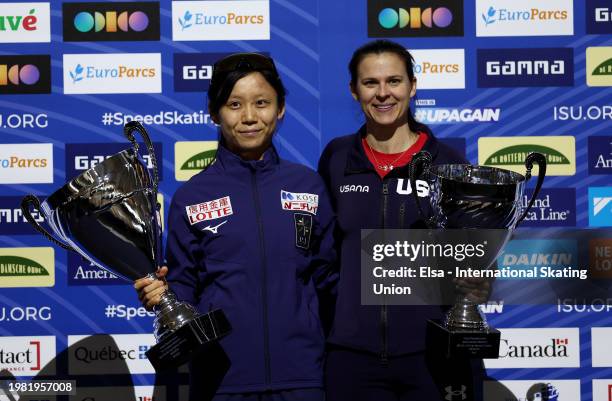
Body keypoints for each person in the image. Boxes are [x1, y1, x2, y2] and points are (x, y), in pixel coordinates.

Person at [135, 53, 337, 401]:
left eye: (261, 103)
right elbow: (184, 285)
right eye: (234, 104)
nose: (249, 117)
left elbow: (330, 280)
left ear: (280, 108)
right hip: (222, 382)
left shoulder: (308, 185)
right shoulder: (192, 196)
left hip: (303, 378)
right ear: (214, 113)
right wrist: (161, 295)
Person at [317, 40, 489, 401]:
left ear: (412, 86)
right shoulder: (336, 158)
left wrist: (477, 278)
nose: (383, 94)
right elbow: (325, 253)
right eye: (370, 83)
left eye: (394, 81)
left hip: (431, 354)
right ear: (353, 90)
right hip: (352, 355)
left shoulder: (448, 162)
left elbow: (471, 253)